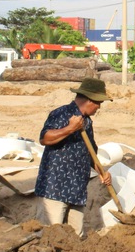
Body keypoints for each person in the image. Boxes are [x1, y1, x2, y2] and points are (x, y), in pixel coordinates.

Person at [34, 77, 113, 238]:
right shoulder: (62, 114)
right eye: (98, 103)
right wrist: (70, 128)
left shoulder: (87, 122)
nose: (99, 107)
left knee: (76, 236)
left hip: (77, 189)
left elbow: (91, 154)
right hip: (55, 187)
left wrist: (102, 172)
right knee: (52, 234)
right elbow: (45, 139)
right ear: (90, 100)